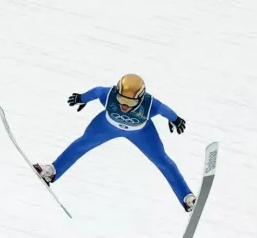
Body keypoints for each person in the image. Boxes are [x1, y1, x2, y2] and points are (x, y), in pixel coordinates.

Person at [34, 74, 197, 212]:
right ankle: (52, 171)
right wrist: (81, 98)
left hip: (141, 133)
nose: (124, 105)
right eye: (121, 99)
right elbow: (97, 91)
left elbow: (165, 110)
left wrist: (175, 119)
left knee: (162, 161)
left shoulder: (150, 104)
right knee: (81, 145)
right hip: (106, 126)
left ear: (140, 99)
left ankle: (186, 198)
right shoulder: (109, 94)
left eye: (131, 103)